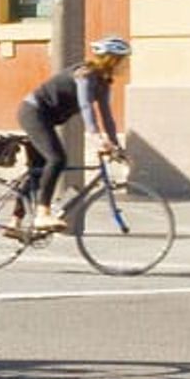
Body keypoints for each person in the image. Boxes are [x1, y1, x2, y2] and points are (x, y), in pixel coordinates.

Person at [17, 37, 130, 233]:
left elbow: (107, 116)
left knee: (39, 168)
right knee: (57, 159)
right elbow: (86, 106)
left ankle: (14, 221)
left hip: (46, 118)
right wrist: (95, 137)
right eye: (123, 59)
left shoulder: (103, 83)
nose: (126, 65)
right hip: (33, 112)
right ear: (112, 59)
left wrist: (115, 145)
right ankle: (42, 214)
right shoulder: (84, 75)